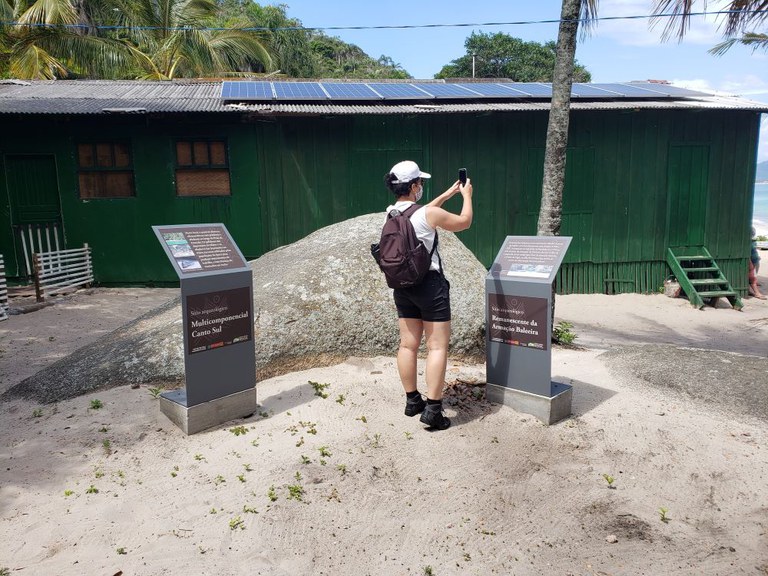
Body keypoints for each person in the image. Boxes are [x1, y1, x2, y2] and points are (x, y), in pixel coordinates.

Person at [382, 160, 473, 430]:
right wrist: (466, 196)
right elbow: (464, 222)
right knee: (437, 347)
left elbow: (420, 213)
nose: (421, 186)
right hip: (430, 286)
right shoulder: (428, 215)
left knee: (407, 346)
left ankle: (413, 401)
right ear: (413, 186)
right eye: (420, 183)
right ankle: (433, 410)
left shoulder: (391, 214)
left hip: (403, 286)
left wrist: (447, 194)